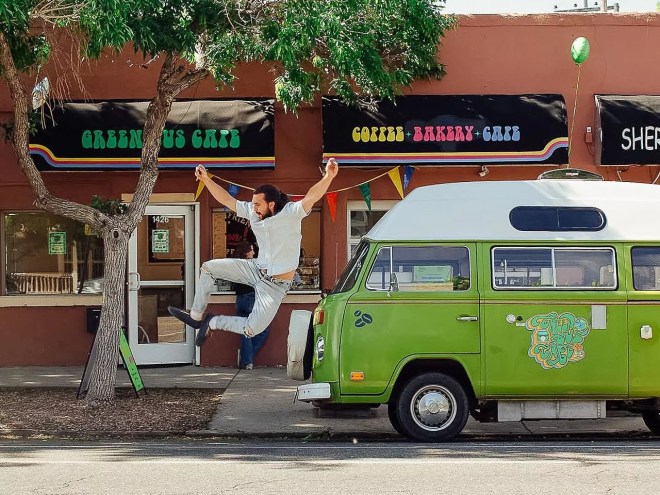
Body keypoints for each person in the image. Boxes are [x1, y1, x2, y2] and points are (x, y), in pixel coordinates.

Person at [168, 158, 339, 346]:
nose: (253, 208)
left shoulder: (291, 213)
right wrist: (207, 180)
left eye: (258, 204)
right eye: (253, 204)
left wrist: (329, 177)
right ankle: (196, 316)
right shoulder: (252, 210)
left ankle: (213, 322)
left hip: (275, 286)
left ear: (271, 204)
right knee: (208, 268)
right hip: (254, 269)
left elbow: (311, 197)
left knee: (252, 329)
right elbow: (227, 200)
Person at [232, 241, 269, 370]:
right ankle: (248, 358)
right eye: (251, 250)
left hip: (240, 299)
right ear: (245, 252)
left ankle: (247, 360)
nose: (253, 252)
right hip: (251, 298)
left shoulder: (235, 264)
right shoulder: (254, 265)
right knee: (264, 330)